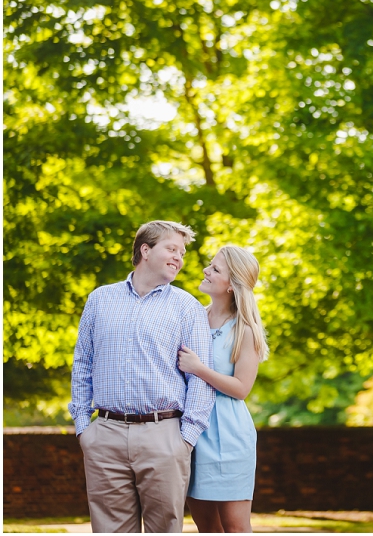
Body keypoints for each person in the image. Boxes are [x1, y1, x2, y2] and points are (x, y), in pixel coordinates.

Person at [69, 220, 215, 533]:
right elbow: (82, 363)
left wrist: (185, 439)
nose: (179, 257)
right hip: (104, 435)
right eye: (172, 249)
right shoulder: (100, 300)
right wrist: (84, 428)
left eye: (183, 252)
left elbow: (201, 378)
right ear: (145, 250)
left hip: (164, 435)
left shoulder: (187, 307)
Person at [178, 245, 269, 533]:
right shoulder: (191, 319)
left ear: (232, 286)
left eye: (216, 269)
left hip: (228, 436)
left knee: (235, 527)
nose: (206, 270)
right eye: (210, 264)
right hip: (192, 433)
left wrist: (199, 369)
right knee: (206, 527)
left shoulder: (245, 330)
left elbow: (242, 388)